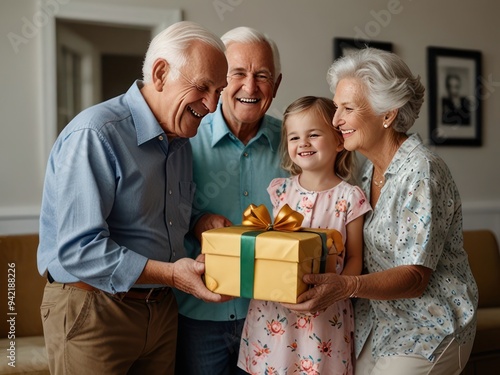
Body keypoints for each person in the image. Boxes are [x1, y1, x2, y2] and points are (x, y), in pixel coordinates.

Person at [37, 21, 229, 375]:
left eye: (220, 90)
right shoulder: (95, 133)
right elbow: (79, 250)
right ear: (160, 73)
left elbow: (163, 220)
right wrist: (172, 275)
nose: (213, 104)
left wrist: (199, 221)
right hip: (93, 309)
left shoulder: (182, 142)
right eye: (204, 87)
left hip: (161, 309)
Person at [285, 48, 478, 375]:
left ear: (387, 114)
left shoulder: (422, 172)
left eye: (347, 109)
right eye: (336, 108)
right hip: (379, 323)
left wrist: (345, 286)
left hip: (429, 326)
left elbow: (415, 278)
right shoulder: (363, 172)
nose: (335, 121)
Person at [174, 26, 285, 374]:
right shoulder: (185, 139)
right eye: (238, 73)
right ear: (221, 79)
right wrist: (196, 220)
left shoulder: (295, 145)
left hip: (275, 316)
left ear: (276, 85)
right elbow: (161, 210)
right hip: (201, 316)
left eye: (262, 76)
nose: (250, 87)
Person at [237, 96, 371, 374]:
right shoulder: (281, 191)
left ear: (338, 141)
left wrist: (336, 289)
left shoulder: (350, 197)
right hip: (275, 310)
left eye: (313, 135)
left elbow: (356, 257)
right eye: (294, 137)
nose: (303, 143)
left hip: (325, 313)